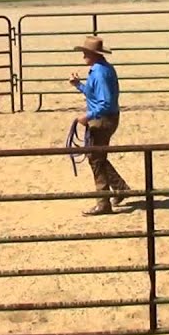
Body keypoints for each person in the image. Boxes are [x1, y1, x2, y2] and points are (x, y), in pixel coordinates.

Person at [68, 35, 130, 216]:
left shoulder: (100, 73)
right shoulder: (101, 69)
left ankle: (103, 202)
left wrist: (88, 116)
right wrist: (79, 85)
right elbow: (96, 95)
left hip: (102, 119)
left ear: (93, 54)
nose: (83, 56)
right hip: (106, 117)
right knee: (97, 155)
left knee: (95, 159)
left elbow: (105, 102)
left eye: (86, 53)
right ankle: (120, 188)